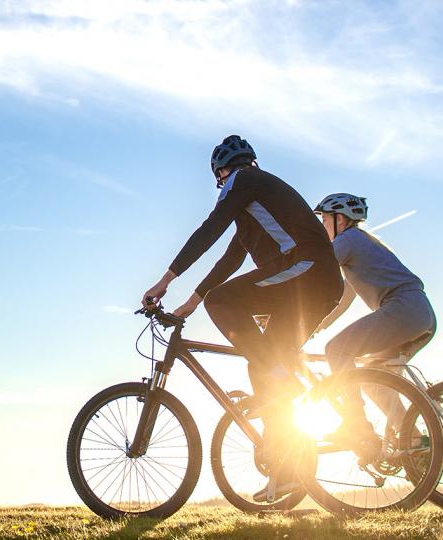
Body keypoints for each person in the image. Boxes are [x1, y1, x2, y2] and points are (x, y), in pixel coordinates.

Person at [141, 135, 343, 501]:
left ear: (222, 174)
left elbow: (210, 229)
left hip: (307, 270)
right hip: (313, 281)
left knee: (225, 305)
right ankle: (288, 473)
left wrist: (165, 280)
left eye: (220, 179)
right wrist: (190, 302)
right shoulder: (255, 207)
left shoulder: (243, 181)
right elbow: (231, 258)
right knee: (261, 367)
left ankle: (286, 379)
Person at [312, 193, 437, 441]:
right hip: (420, 314)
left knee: (337, 350)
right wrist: (313, 327)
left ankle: (355, 424)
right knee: (372, 380)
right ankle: (414, 442)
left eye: (325, 219)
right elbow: (340, 303)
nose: (322, 226)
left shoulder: (349, 239)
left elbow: (315, 270)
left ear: (341, 220)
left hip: (402, 308)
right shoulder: (358, 247)